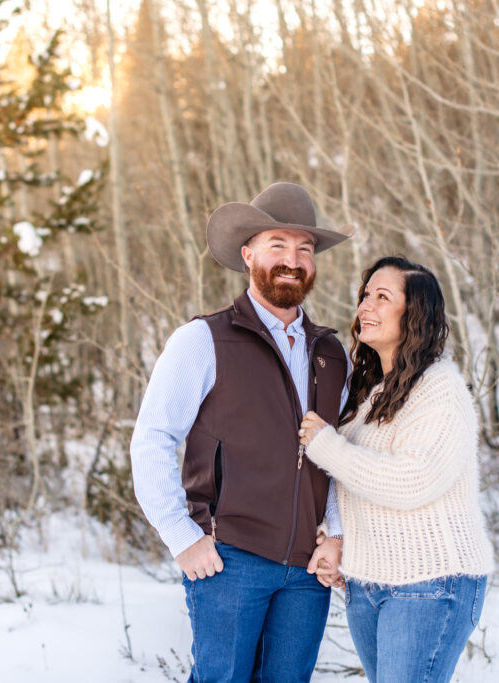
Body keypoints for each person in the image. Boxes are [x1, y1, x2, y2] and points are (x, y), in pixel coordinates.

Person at [130, 182, 352, 682]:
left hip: (306, 570)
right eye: (278, 245)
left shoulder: (332, 354)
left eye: (305, 248)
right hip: (230, 558)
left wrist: (334, 535)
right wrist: (182, 535)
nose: (292, 259)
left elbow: (340, 455)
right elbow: (153, 438)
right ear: (248, 253)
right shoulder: (203, 340)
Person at [299, 256, 494, 683]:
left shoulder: (440, 389)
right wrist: (336, 538)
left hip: (431, 582)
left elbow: (412, 481)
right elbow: (352, 482)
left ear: (415, 315)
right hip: (367, 585)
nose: (366, 305)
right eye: (365, 295)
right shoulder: (368, 395)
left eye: (382, 297)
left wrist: (325, 445)